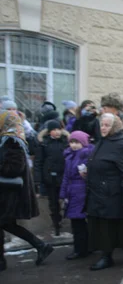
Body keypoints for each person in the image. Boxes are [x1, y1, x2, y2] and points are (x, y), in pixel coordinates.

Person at [0, 111, 54, 271]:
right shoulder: (5, 139)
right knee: (7, 224)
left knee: (6, 223)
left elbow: (15, 167)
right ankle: (40, 246)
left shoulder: (13, 141)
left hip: (11, 194)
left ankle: (41, 246)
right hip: (6, 193)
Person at [86, 113, 123, 271]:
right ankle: (122, 251)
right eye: (102, 124)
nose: (103, 128)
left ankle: (108, 256)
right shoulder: (103, 141)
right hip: (98, 189)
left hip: (112, 191)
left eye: (107, 125)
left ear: (115, 126)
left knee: (110, 225)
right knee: (101, 223)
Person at [60, 131, 94, 259]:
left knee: (78, 223)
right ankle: (85, 247)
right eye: (72, 142)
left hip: (81, 192)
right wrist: (63, 194)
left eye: (77, 142)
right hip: (72, 193)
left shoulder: (86, 155)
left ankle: (80, 249)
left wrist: (85, 176)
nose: (74, 145)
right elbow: (66, 177)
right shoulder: (69, 156)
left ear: (83, 143)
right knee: (77, 223)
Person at [34, 119, 70, 236]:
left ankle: (67, 220)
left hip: (65, 176)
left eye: (58, 129)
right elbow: (38, 163)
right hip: (50, 178)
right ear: (49, 132)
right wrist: (38, 180)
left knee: (67, 199)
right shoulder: (44, 144)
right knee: (53, 203)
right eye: (54, 130)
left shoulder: (66, 142)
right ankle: (56, 223)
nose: (57, 132)